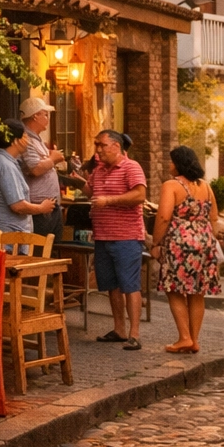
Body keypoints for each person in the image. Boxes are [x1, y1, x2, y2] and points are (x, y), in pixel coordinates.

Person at [152, 145, 222, 354]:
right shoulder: (206, 187)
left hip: (180, 243)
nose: (169, 164)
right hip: (204, 242)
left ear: (179, 164)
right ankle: (194, 340)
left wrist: (156, 243)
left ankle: (184, 337)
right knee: (197, 292)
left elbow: (164, 216)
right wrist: (207, 238)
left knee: (174, 289)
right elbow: (215, 218)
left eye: (171, 161)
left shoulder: (171, 185)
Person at [87, 129, 147, 351]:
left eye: (102, 145)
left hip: (126, 237)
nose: (98, 149)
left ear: (115, 146)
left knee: (130, 285)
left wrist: (109, 201)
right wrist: (75, 181)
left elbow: (139, 195)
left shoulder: (131, 167)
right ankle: (119, 329)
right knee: (111, 284)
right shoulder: (100, 170)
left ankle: (135, 334)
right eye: (97, 145)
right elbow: (90, 191)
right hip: (103, 235)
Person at [0, 120, 54, 237]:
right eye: (25, 136)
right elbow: (18, 206)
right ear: (16, 141)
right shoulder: (4, 164)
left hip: (5, 235)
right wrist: (41, 208)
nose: (28, 140)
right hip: (4, 238)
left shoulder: (3, 160)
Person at [18, 96, 65, 239]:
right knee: (40, 251)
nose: (48, 118)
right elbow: (35, 168)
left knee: (52, 251)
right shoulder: (27, 139)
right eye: (45, 114)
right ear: (35, 116)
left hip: (50, 207)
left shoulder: (36, 139)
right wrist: (53, 159)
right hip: (39, 208)